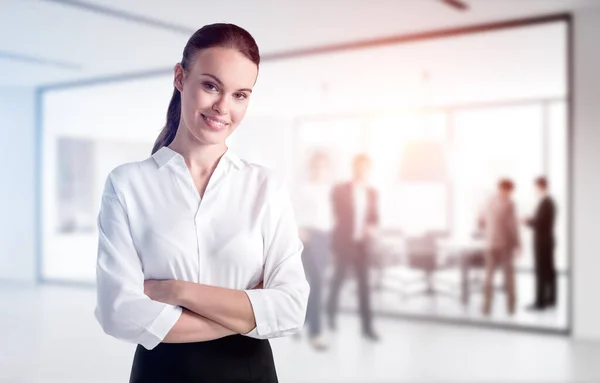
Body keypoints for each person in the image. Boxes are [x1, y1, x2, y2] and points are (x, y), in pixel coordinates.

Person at [94, 23, 309, 382]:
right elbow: (118, 313)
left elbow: (290, 309)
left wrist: (177, 291)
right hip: (160, 374)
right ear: (180, 77)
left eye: (241, 94)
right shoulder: (128, 184)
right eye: (211, 86)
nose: (223, 107)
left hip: (250, 373)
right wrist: (249, 310)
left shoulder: (265, 187)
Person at [326, 154, 379, 341]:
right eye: (359, 167)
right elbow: (332, 216)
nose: (362, 170)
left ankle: (367, 328)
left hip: (362, 245)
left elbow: (374, 218)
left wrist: (371, 227)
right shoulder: (340, 190)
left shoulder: (372, 193)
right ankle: (330, 315)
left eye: (365, 167)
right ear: (354, 168)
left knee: (364, 287)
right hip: (344, 244)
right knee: (338, 281)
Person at [294, 150, 333, 351]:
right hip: (308, 237)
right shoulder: (304, 188)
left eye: (323, 165)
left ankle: (303, 321)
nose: (321, 169)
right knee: (316, 282)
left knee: (317, 283)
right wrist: (301, 230)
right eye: (317, 165)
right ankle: (316, 333)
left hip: (325, 238)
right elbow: (293, 211)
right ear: (312, 167)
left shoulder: (328, 189)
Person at [479, 178, 521, 316]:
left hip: (489, 244)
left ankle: (486, 307)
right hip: (505, 245)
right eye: (510, 190)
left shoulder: (488, 201)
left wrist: (489, 233)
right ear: (506, 189)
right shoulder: (510, 203)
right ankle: (511, 307)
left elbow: (480, 221)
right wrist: (518, 244)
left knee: (488, 276)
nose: (511, 193)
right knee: (509, 276)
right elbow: (513, 226)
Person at [524, 176, 557, 311]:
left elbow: (540, 223)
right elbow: (542, 220)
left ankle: (540, 303)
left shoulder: (546, 202)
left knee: (541, 271)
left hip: (542, 242)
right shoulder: (550, 202)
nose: (534, 190)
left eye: (535, 187)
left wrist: (527, 221)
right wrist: (533, 220)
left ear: (539, 187)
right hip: (547, 241)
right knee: (549, 271)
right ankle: (551, 300)